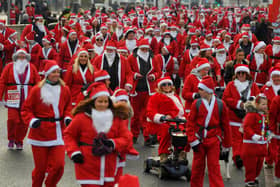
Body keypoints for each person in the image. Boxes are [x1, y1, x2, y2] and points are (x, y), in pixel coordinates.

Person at [63, 82, 132, 187]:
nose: (103, 104)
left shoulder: (116, 118)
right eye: (100, 101)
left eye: (106, 102)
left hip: (109, 166)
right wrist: (74, 152)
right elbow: (69, 135)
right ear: (93, 102)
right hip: (87, 164)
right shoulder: (81, 117)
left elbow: (126, 137)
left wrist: (113, 143)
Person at [21, 60, 72, 187]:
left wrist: (67, 117)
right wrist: (32, 120)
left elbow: (68, 108)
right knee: (41, 170)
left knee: (59, 165)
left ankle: (50, 185)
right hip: (40, 133)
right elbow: (26, 109)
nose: (56, 74)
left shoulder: (65, 89)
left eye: (57, 72)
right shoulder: (36, 90)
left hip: (58, 133)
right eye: (53, 72)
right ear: (47, 74)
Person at [187, 75, 231, 187]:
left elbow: (226, 126)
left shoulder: (221, 104)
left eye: (201, 89)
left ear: (208, 90)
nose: (199, 91)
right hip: (199, 139)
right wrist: (192, 140)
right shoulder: (196, 104)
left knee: (214, 168)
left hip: (214, 140)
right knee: (197, 168)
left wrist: (226, 144)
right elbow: (190, 124)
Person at [0, 49, 40, 149]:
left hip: (27, 94)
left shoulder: (31, 67)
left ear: (26, 57)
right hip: (13, 93)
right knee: (13, 119)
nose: (21, 57)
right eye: (19, 56)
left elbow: (38, 83)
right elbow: (2, 81)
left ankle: (19, 140)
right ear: (16, 57)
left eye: (23, 56)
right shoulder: (9, 66)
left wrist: (39, 98)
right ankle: (11, 139)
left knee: (24, 121)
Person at [222, 64, 260, 169]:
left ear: (247, 74)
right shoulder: (231, 85)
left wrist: (251, 102)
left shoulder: (253, 85)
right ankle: (237, 156)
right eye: (239, 73)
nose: (241, 75)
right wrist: (239, 104)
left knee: (247, 138)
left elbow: (258, 98)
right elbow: (225, 98)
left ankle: (244, 156)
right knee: (236, 139)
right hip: (234, 116)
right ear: (236, 74)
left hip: (249, 117)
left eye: (243, 73)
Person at [128, 38, 161, 145]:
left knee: (147, 115)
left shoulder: (153, 58)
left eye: (146, 48)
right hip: (137, 90)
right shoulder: (132, 58)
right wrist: (134, 74)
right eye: (143, 48)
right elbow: (128, 71)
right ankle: (134, 135)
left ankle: (147, 137)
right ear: (139, 47)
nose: (144, 50)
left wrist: (154, 75)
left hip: (149, 90)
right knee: (135, 115)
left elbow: (158, 72)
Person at [146, 77, 187, 163]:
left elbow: (181, 111)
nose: (167, 86)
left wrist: (185, 119)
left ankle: (180, 152)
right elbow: (150, 112)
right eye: (164, 84)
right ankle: (163, 154)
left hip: (177, 121)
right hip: (162, 122)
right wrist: (162, 117)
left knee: (184, 132)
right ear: (160, 87)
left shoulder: (175, 96)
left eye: (169, 84)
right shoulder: (155, 97)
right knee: (166, 131)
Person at [242, 94, 269, 187]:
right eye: (263, 104)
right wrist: (253, 135)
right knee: (251, 165)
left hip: (261, 145)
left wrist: (268, 135)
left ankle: (255, 177)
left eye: (266, 104)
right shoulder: (251, 115)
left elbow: (265, 128)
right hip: (251, 145)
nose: (265, 106)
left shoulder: (263, 115)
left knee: (259, 163)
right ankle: (249, 180)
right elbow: (246, 126)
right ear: (256, 104)